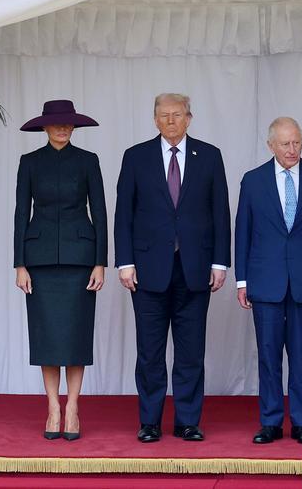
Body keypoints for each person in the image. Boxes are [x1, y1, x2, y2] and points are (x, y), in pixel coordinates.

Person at [114, 93, 230, 443]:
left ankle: (187, 421)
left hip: (194, 267)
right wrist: (125, 262)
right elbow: (124, 214)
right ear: (154, 119)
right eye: (163, 115)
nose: (170, 121)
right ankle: (150, 421)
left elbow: (220, 212)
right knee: (149, 351)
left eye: (177, 115)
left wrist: (220, 262)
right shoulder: (136, 157)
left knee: (191, 351)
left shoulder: (209, 156)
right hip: (148, 269)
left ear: (189, 118)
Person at [234, 118, 302, 446]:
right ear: (271, 145)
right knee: (267, 355)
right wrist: (241, 280)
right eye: (285, 144)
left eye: (297, 142)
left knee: (301, 355)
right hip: (264, 282)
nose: (292, 149)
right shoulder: (252, 181)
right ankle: (269, 422)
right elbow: (243, 233)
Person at [13, 100, 107, 441]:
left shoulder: (88, 161)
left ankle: (73, 407)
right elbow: (21, 212)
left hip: (80, 260)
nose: (63, 129)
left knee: (75, 336)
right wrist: (19, 263)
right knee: (47, 338)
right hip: (39, 262)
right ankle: (53, 407)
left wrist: (100, 261)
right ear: (44, 127)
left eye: (68, 124)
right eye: (56, 125)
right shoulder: (29, 163)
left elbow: (100, 210)